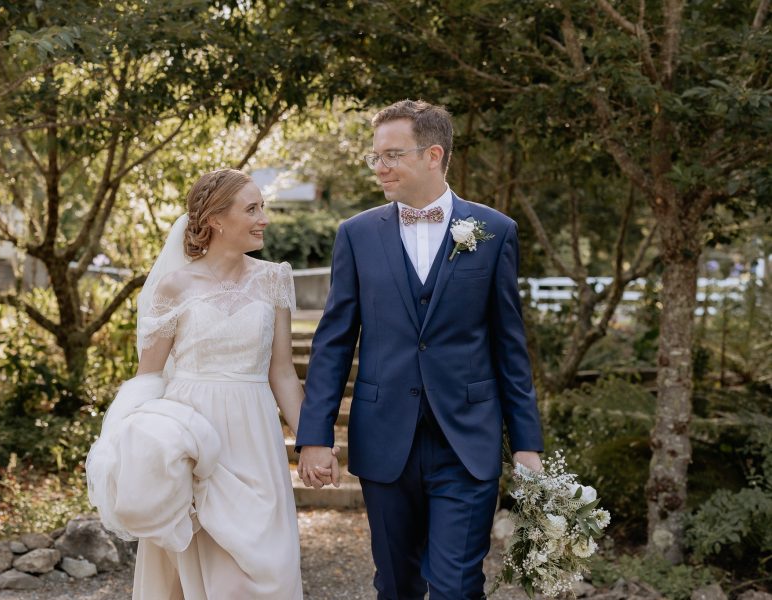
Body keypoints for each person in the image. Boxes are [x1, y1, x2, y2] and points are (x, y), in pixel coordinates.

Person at [296, 100, 544, 600]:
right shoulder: (357, 235)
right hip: (385, 437)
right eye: (375, 157)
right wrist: (315, 436)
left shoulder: (494, 231)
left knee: (456, 586)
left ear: (433, 155)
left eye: (392, 155)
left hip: (466, 440)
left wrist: (526, 443)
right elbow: (334, 339)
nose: (379, 168)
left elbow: (508, 344)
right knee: (396, 584)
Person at [86, 168, 310, 599]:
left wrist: (311, 442)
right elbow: (148, 377)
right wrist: (135, 447)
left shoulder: (274, 279)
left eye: (262, 207)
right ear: (215, 219)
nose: (263, 217)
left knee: (272, 565)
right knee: (196, 570)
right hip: (189, 437)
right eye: (252, 208)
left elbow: (282, 372)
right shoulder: (174, 286)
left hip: (255, 436)